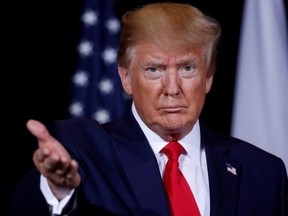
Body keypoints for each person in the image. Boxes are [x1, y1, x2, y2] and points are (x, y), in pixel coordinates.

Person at [10, 2, 287, 216]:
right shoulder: (84, 155)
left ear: (209, 77)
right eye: (154, 69)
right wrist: (57, 190)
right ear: (126, 78)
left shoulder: (262, 172)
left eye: (188, 68)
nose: (172, 88)